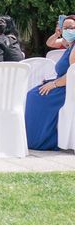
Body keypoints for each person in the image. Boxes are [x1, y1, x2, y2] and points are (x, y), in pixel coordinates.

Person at [25, 15, 75, 150]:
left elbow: (72, 76)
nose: (68, 30)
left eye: (71, 28)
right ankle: (34, 137)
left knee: (36, 98)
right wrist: (57, 33)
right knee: (32, 94)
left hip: (68, 89)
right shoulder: (69, 44)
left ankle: (43, 140)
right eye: (65, 28)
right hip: (61, 83)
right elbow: (50, 43)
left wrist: (53, 84)